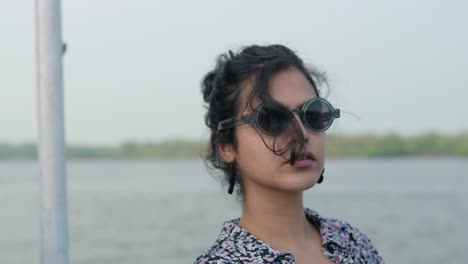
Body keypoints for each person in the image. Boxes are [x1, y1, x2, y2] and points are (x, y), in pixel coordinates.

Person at [194, 44, 384, 264]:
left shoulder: (352, 242)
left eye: (313, 114)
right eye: (272, 120)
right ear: (226, 146)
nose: (301, 134)